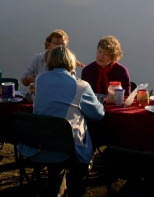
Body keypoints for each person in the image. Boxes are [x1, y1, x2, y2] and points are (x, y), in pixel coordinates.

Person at [19, 45, 105, 197]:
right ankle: (75, 186)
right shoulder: (81, 86)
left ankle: (58, 187)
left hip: (40, 142)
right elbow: (97, 114)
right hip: (67, 146)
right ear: (71, 62)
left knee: (58, 136)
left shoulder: (40, 80)